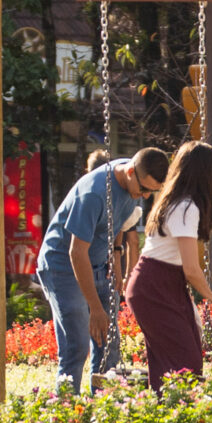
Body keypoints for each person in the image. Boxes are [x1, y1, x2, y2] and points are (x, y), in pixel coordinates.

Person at [35, 147, 168, 388]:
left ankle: (102, 404)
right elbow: (76, 252)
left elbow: (116, 223)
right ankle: (65, 411)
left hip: (98, 262)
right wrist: (95, 308)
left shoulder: (132, 178)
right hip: (62, 265)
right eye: (145, 189)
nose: (146, 196)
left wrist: (116, 260)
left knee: (109, 342)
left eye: (152, 191)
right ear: (129, 172)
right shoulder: (94, 194)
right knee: (76, 345)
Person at [125, 140, 212, 388]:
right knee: (185, 364)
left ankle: (167, 416)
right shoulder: (186, 207)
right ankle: (173, 416)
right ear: (205, 174)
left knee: (171, 363)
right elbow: (191, 269)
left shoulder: (175, 201)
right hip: (155, 284)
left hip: (159, 283)